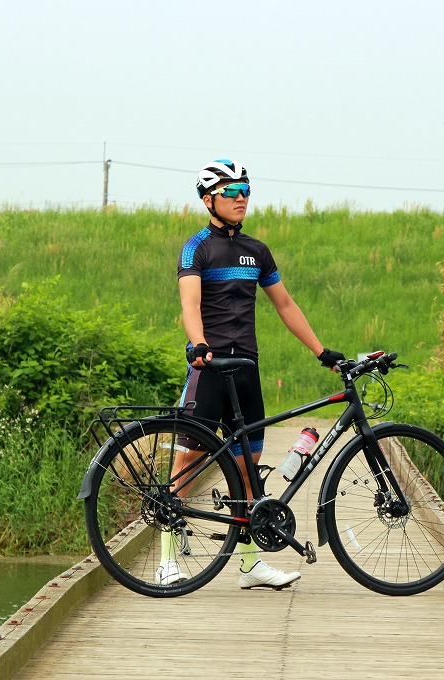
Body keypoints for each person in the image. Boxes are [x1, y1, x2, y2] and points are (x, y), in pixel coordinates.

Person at [157, 158, 345, 589]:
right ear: (209, 199)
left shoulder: (256, 250)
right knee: (188, 460)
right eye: (232, 191)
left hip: (246, 370)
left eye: (246, 190)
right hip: (209, 367)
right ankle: (167, 560)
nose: (242, 198)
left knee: (247, 466)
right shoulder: (196, 248)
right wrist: (199, 345)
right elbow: (189, 305)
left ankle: (248, 564)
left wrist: (322, 352)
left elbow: (285, 305)